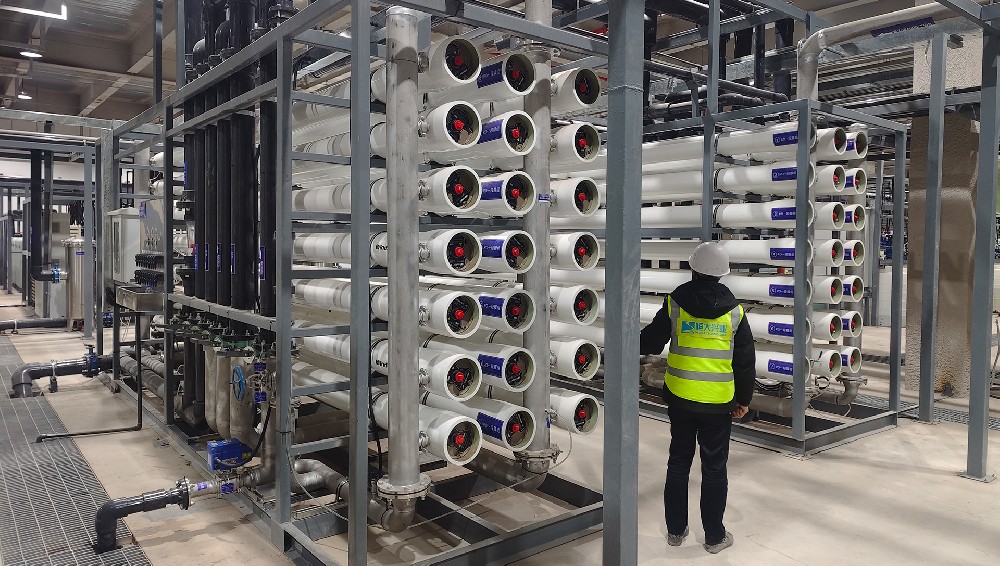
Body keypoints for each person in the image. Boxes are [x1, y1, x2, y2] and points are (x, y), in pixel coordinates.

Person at [639, 241, 755, 554]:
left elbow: (651, 341)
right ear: (722, 273)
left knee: (678, 463)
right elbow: (745, 362)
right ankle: (714, 537)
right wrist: (744, 400)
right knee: (714, 469)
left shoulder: (675, 302)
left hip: (680, 398)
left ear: (693, 268)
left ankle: (675, 531)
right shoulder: (735, 311)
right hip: (718, 404)